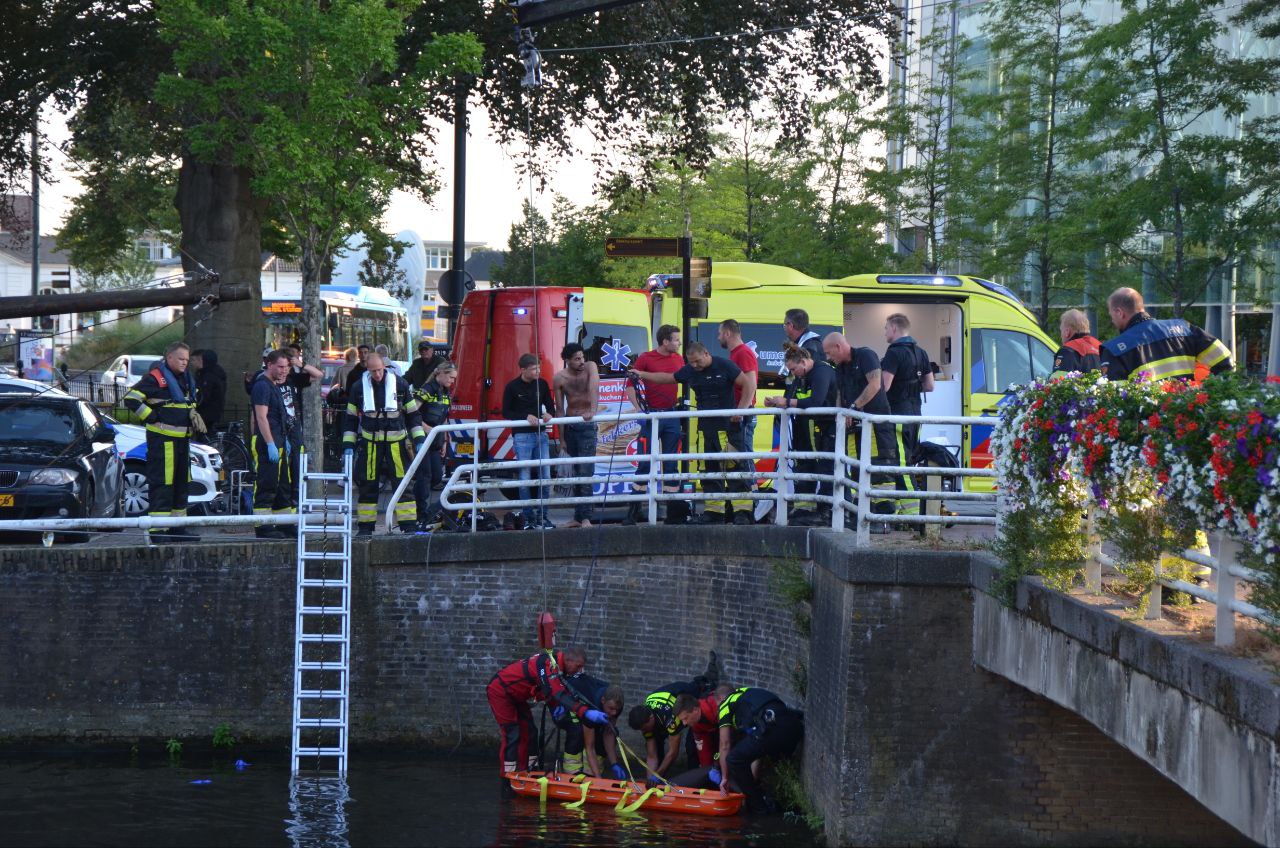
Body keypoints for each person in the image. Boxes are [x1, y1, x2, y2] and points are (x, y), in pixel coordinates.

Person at [1102, 287, 1231, 598]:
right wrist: (1206, 396)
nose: (1112, 320)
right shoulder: (1183, 327)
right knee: (1186, 500)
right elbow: (1225, 361)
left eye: (1111, 315)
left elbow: (1115, 401)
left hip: (1151, 435)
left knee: (1158, 504)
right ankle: (1196, 576)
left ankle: (1169, 579)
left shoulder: (1116, 347)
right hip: (1190, 426)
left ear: (1120, 312)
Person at [630, 342, 755, 525]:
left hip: (729, 427)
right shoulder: (691, 369)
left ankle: (743, 512)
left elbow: (748, 385)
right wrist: (642, 374)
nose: (695, 366)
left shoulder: (724, 365)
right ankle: (714, 512)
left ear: (706, 353)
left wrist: (741, 410)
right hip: (706, 428)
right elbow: (667, 378)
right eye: (691, 363)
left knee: (735, 469)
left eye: (697, 361)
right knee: (709, 470)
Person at [485, 646, 610, 779]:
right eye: (578, 666)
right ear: (568, 661)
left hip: (517, 696)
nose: (580, 671)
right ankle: (507, 777)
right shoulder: (550, 666)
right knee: (512, 734)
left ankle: (529, 770)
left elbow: (558, 692)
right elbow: (557, 693)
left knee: (532, 733)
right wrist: (584, 712)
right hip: (501, 692)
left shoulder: (557, 668)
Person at [122, 341, 201, 540]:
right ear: (170, 358)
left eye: (187, 359)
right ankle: (158, 530)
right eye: (181, 359)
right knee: (163, 485)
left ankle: (177, 528)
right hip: (163, 440)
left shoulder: (185, 379)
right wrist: (151, 416)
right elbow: (131, 399)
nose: (185, 363)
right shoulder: (155, 378)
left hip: (182, 440)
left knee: (181, 485)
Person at [342, 353, 426, 536]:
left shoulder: (401, 385)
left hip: (396, 444)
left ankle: (409, 525)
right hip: (370, 444)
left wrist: (419, 440)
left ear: (385, 367)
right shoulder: (358, 388)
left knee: (403, 484)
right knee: (367, 485)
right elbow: (349, 419)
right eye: (373, 371)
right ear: (367, 370)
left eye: (379, 370)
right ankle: (365, 527)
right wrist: (348, 445)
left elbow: (413, 415)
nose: (377, 375)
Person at [824, 332, 895, 534]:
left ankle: (882, 520)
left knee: (879, 471)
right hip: (854, 428)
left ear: (839, 346)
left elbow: (875, 384)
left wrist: (854, 408)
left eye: (829, 353)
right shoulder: (840, 367)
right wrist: (840, 417)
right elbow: (839, 394)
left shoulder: (866, 356)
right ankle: (862, 516)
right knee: (857, 472)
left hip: (875, 425)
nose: (829, 358)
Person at [765, 344, 837, 525]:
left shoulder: (822, 371)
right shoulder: (801, 376)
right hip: (806, 428)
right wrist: (776, 402)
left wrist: (787, 401)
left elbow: (816, 401)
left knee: (827, 470)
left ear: (804, 362)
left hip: (826, 428)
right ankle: (806, 508)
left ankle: (827, 511)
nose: (794, 373)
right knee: (804, 466)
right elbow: (792, 397)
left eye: (794, 369)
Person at [623, 324, 685, 525]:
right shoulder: (646, 358)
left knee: (671, 463)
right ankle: (634, 512)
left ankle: (673, 514)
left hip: (671, 415)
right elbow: (630, 384)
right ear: (665, 341)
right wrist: (638, 409)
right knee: (644, 463)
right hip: (651, 416)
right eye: (676, 339)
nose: (679, 343)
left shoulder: (679, 358)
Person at [714, 686, 804, 814]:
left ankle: (759, 809)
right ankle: (777, 802)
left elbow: (724, 744)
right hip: (793, 727)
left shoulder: (725, 704)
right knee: (770, 762)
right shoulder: (748, 695)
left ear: (721, 698)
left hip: (769, 730)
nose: (717, 709)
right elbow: (756, 751)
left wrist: (725, 778)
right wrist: (752, 780)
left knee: (734, 759)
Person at [880, 314, 935, 520]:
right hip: (915, 415)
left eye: (886, 328)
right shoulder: (921, 352)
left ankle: (914, 514)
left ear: (894, 328)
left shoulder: (894, 353)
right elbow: (930, 385)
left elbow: (884, 386)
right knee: (907, 461)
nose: (885, 332)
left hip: (897, 416)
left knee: (900, 464)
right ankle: (903, 510)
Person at [502, 353, 557, 530]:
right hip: (522, 436)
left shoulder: (542, 384)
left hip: (541, 435)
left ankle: (543, 516)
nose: (538, 371)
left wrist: (550, 414)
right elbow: (506, 412)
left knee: (546, 476)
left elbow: (550, 405)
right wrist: (525, 416)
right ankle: (528, 517)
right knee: (525, 476)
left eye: (539, 368)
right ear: (523, 369)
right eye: (534, 369)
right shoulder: (511, 387)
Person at [249, 350, 298, 539]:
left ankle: (284, 523)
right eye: (280, 366)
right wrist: (270, 443)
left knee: (283, 485)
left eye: (287, 367)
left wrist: (282, 440)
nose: (284, 370)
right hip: (266, 441)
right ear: (269, 365)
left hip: (278, 440)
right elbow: (261, 418)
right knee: (267, 484)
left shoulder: (274, 385)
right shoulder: (262, 385)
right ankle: (263, 527)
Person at [553, 343, 600, 529]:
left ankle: (586, 518)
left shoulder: (590, 366)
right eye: (577, 359)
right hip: (571, 425)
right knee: (575, 474)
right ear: (567, 361)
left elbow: (594, 387)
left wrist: (593, 410)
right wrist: (561, 438)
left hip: (587, 425)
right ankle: (578, 517)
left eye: (582, 357)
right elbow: (559, 410)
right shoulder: (559, 378)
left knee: (586, 471)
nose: (581, 362)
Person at [626, 680, 707, 778]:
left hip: (693, 698)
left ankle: (696, 778)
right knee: (657, 745)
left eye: (645, 728)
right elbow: (652, 756)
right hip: (668, 704)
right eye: (641, 730)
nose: (644, 732)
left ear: (651, 718)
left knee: (692, 746)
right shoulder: (644, 721)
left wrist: (658, 775)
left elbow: (673, 752)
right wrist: (650, 780)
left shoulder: (670, 719)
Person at [554, 674, 627, 779]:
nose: (614, 712)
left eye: (616, 710)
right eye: (611, 708)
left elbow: (608, 733)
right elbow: (590, 747)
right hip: (567, 702)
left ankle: (590, 771)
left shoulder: (616, 704)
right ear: (603, 701)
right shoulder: (592, 704)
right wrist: (599, 779)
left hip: (593, 702)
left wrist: (614, 763)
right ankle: (572, 770)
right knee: (577, 730)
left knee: (607, 731)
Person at [411, 361, 456, 530]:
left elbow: (444, 417)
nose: (452, 381)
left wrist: (444, 440)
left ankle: (425, 509)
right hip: (422, 437)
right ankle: (420, 513)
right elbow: (412, 413)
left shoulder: (446, 392)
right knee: (425, 476)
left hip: (436, 440)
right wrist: (426, 428)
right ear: (441, 374)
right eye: (450, 377)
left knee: (437, 476)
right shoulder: (427, 390)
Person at [717, 319, 759, 448]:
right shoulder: (738, 353)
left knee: (743, 457)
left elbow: (751, 385)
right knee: (737, 456)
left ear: (727, 334)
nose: (718, 338)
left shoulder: (743, 353)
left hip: (742, 415)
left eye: (720, 333)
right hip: (740, 413)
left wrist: (740, 412)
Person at [1051, 309, 1102, 377]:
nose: (1061, 335)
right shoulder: (1101, 348)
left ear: (1067, 332)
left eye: (1061, 331)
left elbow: (1058, 382)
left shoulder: (1067, 351)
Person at [190, 348, 227, 434]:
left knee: (203, 434)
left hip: (207, 412)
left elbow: (203, 395)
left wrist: (194, 404)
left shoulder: (208, 376)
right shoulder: (206, 373)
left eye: (194, 360)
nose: (192, 363)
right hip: (211, 411)